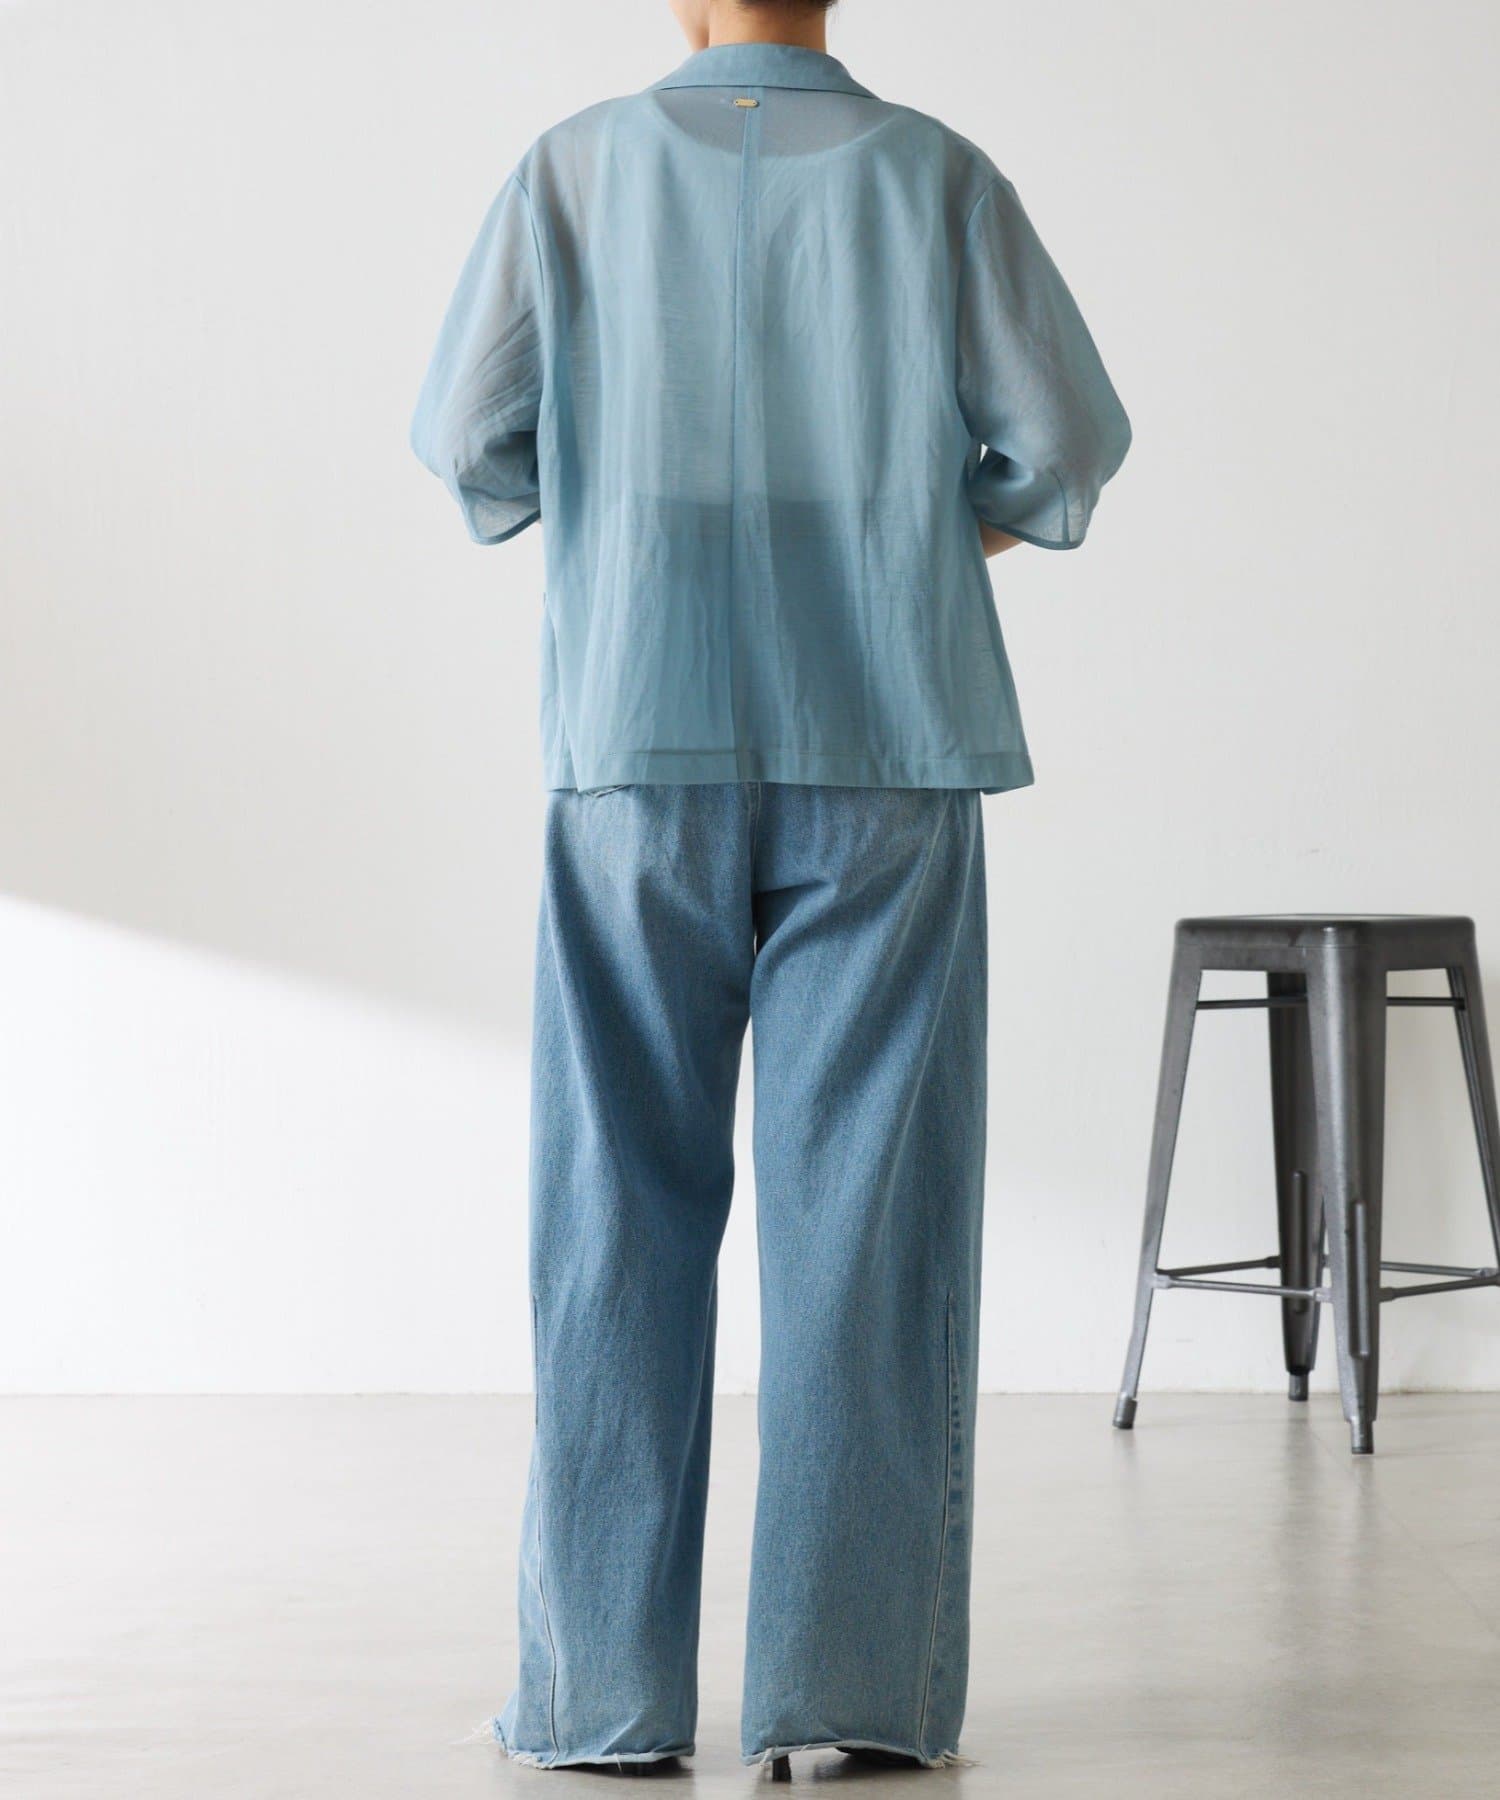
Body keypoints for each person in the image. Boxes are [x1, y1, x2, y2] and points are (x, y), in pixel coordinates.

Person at [411, 0, 1129, 1776]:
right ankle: (850, 1698)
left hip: (632, 750)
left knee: (611, 1217)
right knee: (868, 1231)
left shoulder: (572, 173)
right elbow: (1060, 446)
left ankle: (600, 1701)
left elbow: (470, 438)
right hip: (886, 738)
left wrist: (629, 511)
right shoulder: (940, 178)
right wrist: (908, 532)